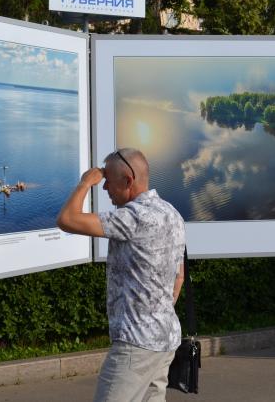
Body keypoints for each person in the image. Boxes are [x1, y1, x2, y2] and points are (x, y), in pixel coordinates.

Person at [57, 148, 186, 402]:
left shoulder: (134, 217)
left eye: (108, 181)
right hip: (166, 338)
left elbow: (67, 219)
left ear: (128, 180)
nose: (104, 188)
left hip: (136, 346)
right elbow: (179, 277)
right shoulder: (171, 213)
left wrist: (86, 182)